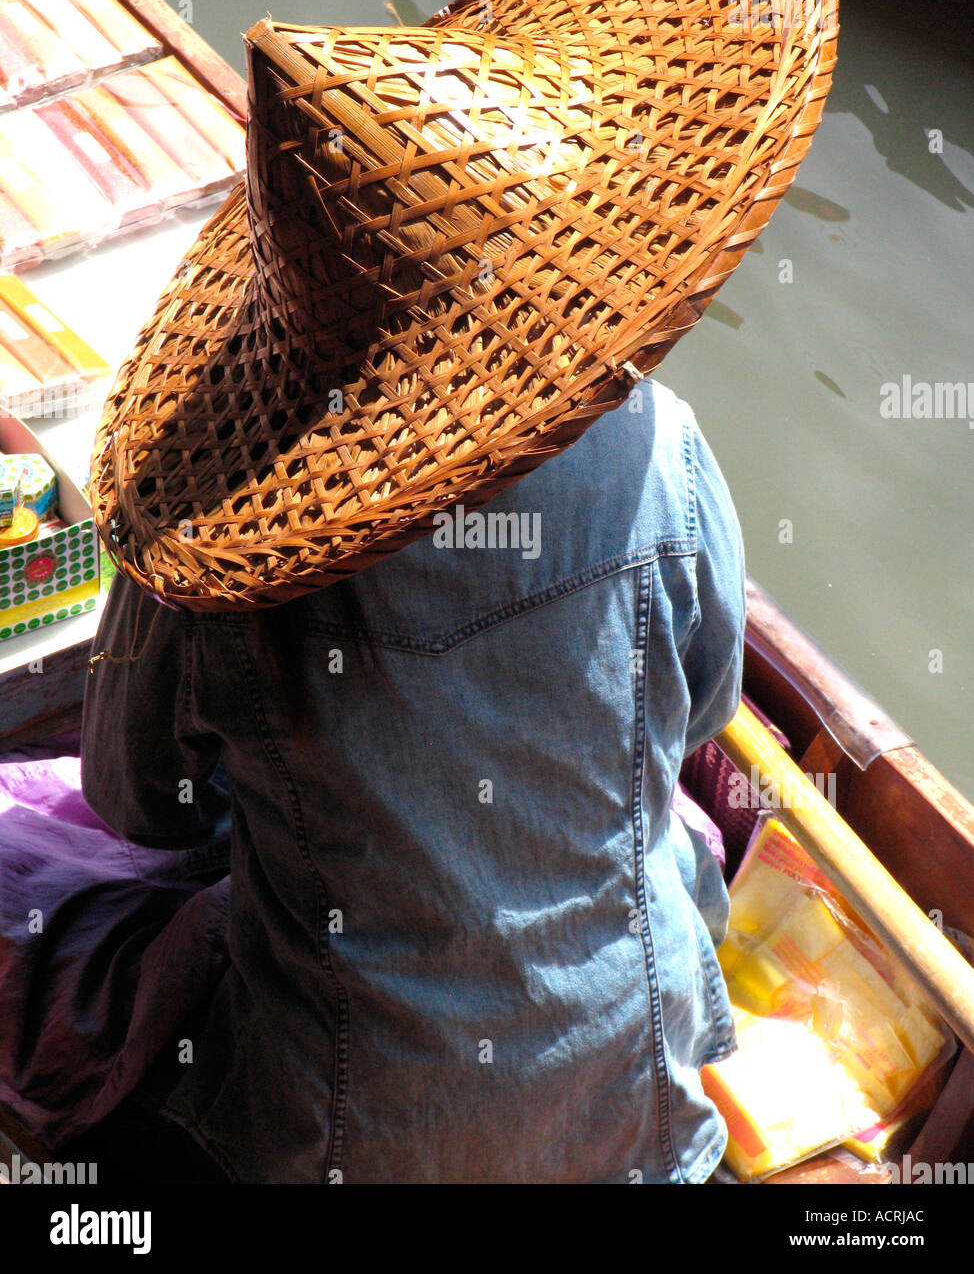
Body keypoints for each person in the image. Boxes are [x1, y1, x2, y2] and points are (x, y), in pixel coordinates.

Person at [79, 371, 745, 1184]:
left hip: (352, 1140)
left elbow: (137, 797)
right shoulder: (656, 433)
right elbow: (706, 705)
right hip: (635, 1109)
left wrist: (292, 791)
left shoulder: (211, 517)